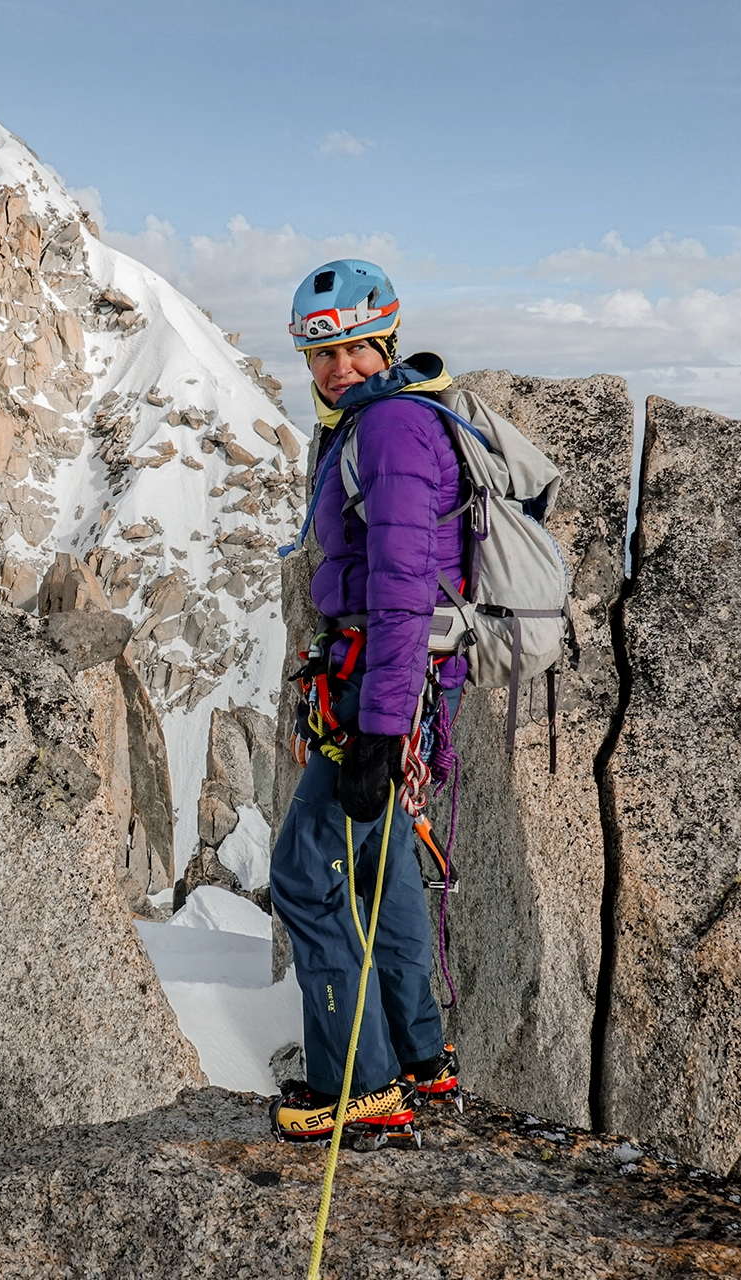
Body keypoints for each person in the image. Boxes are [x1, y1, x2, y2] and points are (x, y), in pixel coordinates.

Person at [268, 259, 464, 1146]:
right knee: (380, 869)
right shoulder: (384, 420)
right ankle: (419, 1057)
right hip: (387, 679)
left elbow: (403, 590)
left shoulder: (387, 429)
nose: (337, 367)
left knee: (305, 876)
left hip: (379, 685)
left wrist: (379, 730)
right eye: (321, 354)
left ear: (386, 341)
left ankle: (358, 1084)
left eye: (353, 349)